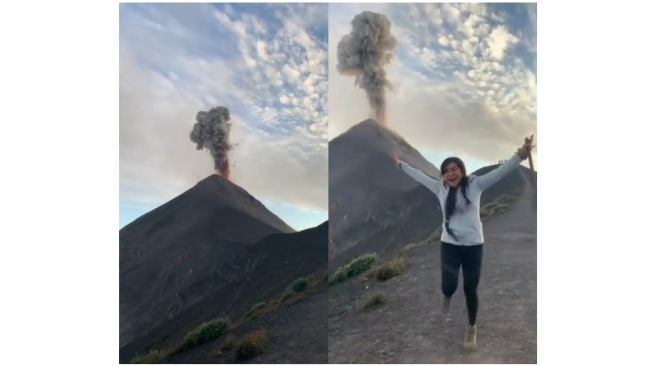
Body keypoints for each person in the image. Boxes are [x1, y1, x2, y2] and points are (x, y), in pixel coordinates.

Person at [393, 135, 534, 351]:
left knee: (470, 288)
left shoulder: (475, 185)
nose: (451, 173)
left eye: (455, 168)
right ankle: (447, 295)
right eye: (447, 170)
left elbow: (500, 172)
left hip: (473, 246)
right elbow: (420, 176)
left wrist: (521, 154)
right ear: (443, 174)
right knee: (448, 285)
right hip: (449, 244)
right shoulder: (440, 188)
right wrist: (401, 164)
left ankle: (471, 327)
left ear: (462, 170)